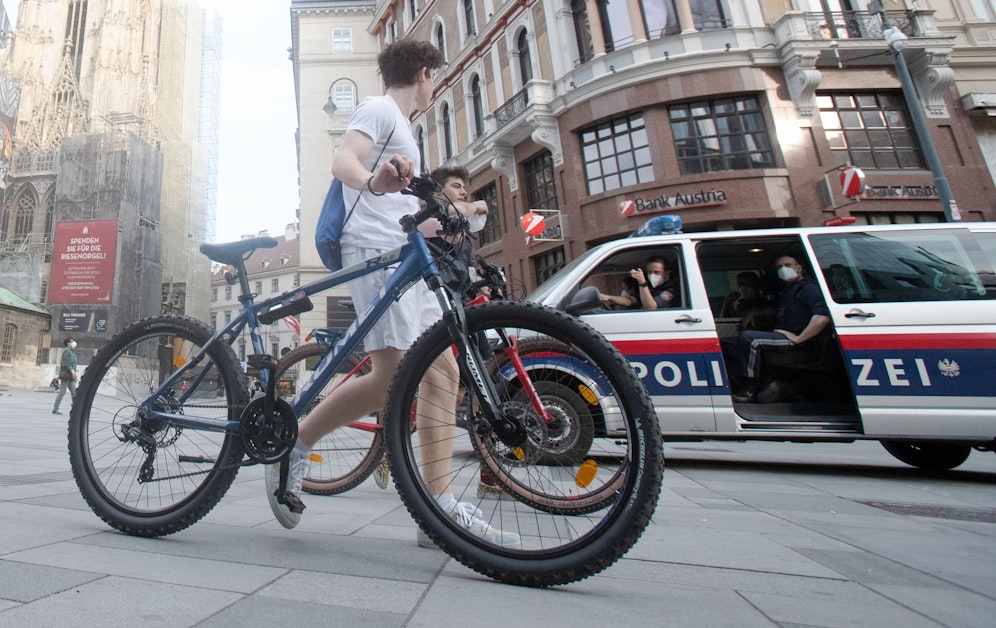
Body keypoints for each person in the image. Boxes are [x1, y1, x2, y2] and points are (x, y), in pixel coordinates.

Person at [264, 39, 516, 547]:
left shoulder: (407, 132)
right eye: (435, 77)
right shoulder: (380, 109)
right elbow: (344, 161)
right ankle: (296, 444)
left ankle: (437, 507)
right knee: (393, 374)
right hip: (372, 251)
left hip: (401, 251)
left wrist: (458, 216)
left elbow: (409, 211)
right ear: (423, 72)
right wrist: (372, 181)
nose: (435, 85)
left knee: (441, 367)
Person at [720, 256, 831, 403]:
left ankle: (751, 386)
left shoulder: (808, 288)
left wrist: (800, 338)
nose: (783, 269)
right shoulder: (787, 291)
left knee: (750, 339)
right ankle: (767, 380)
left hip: (798, 339)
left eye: (788, 265)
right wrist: (755, 312)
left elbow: (822, 317)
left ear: (799, 267)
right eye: (779, 267)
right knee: (725, 343)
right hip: (780, 335)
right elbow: (776, 309)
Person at [52, 336, 78, 415]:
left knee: (74, 393)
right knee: (62, 392)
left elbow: (74, 363)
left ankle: (75, 409)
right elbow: (66, 363)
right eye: (71, 341)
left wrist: (74, 374)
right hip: (66, 375)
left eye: (73, 341)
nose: (73, 342)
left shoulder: (72, 351)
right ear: (67, 343)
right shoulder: (66, 351)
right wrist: (73, 372)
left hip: (70, 376)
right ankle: (55, 409)